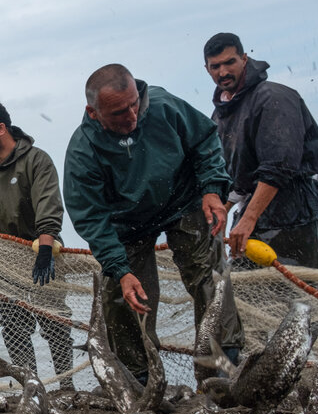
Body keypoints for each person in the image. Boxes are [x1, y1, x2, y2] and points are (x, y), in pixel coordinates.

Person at [63, 64, 244, 382]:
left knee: (210, 275)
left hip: (184, 199)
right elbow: (91, 217)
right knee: (125, 296)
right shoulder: (83, 150)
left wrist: (213, 189)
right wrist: (120, 270)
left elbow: (205, 142)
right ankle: (140, 378)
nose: (132, 116)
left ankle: (219, 371)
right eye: (119, 112)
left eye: (134, 104)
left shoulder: (162, 105)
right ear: (93, 113)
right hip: (126, 222)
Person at [0, 100, 75, 389]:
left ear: (1, 128)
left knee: (55, 323)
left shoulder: (37, 160)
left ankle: (67, 386)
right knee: (14, 328)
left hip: (40, 256)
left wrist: (46, 248)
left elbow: (49, 205)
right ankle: (32, 389)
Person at [203, 32, 318, 268]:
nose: (223, 72)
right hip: (251, 217)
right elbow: (234, 178)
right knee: (244, 294)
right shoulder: (221, 113)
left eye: (230, 62)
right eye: (215, 66)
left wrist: (249, 218)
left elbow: (279, 167)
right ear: (207, 69)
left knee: (300, 298)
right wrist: (220, 217)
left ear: (244, 59)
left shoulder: (273, 97)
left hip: (294, 215)